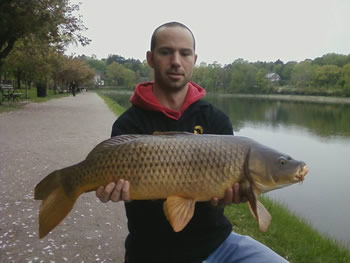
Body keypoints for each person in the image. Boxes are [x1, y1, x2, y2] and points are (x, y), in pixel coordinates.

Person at [96, 22, 288, 263]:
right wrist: (113, 191)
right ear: (150, 58)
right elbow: (128, 194)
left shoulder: (216, 119)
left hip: (218, 245)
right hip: (152, 251)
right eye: (166, 52)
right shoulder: (129, 124)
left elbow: (220, 198)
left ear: (194, 59)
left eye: (184, 53)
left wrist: (237, 195)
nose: (176, 61)